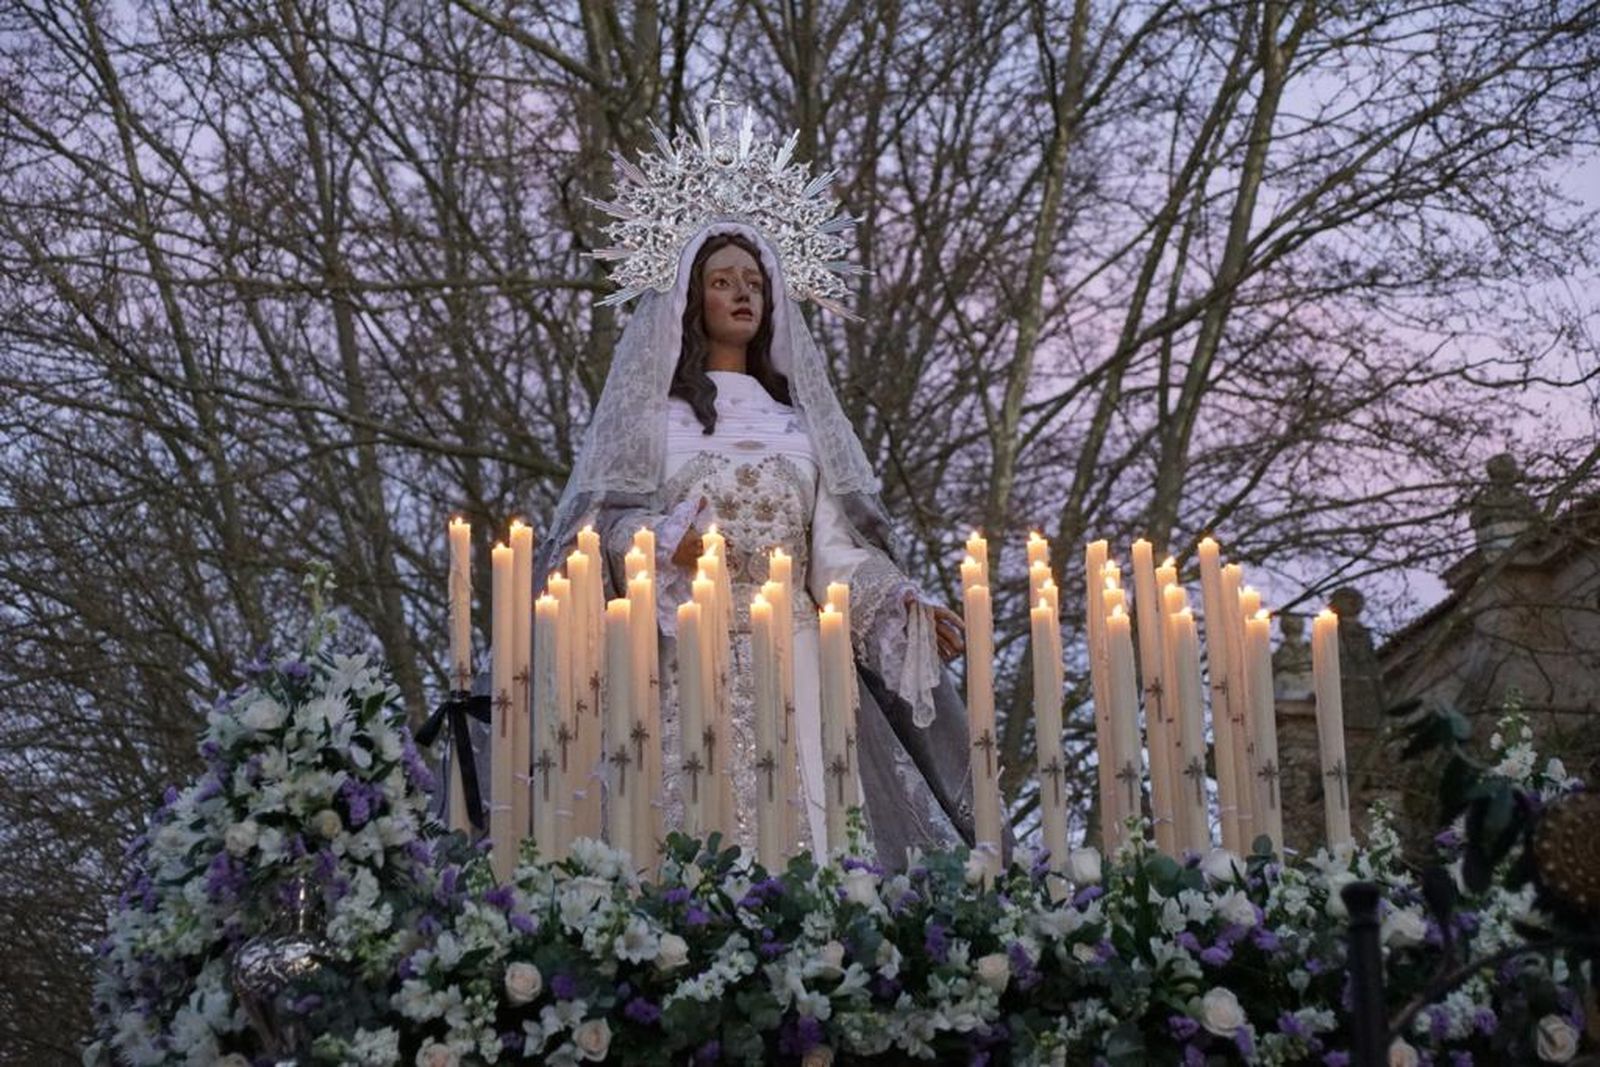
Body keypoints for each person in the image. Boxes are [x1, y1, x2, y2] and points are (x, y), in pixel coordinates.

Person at [534, 216, 977, 865]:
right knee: (683, 826)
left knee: (816, 835)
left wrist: (900, 606)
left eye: (754, 284)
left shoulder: (801, 431)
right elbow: (600, 530)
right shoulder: (655, 425)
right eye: (722, 282)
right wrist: (660, 542)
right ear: (691, 300)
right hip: (682, 657)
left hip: (796, 660)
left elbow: (834, 556)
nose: (742, 295)